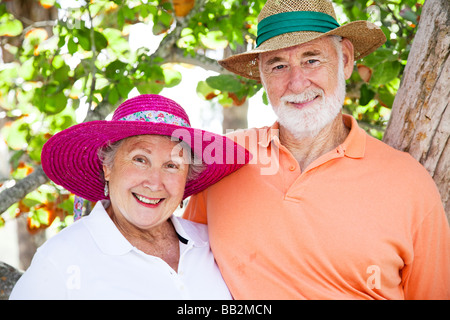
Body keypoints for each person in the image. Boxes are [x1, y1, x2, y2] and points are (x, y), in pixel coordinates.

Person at [183, 0, 450, 299]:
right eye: (278, 65)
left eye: (312, 60)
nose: (297, 83)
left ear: (345, 60)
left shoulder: (409, 183)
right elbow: (182, 270)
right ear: (261, 74)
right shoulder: (223, 159)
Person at [10, 94, 250, 299]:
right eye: (140, 160)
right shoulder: (61, 258)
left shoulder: (211, 243)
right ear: (108, 166)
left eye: (172, 165)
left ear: (187, 176)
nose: (155, 183)